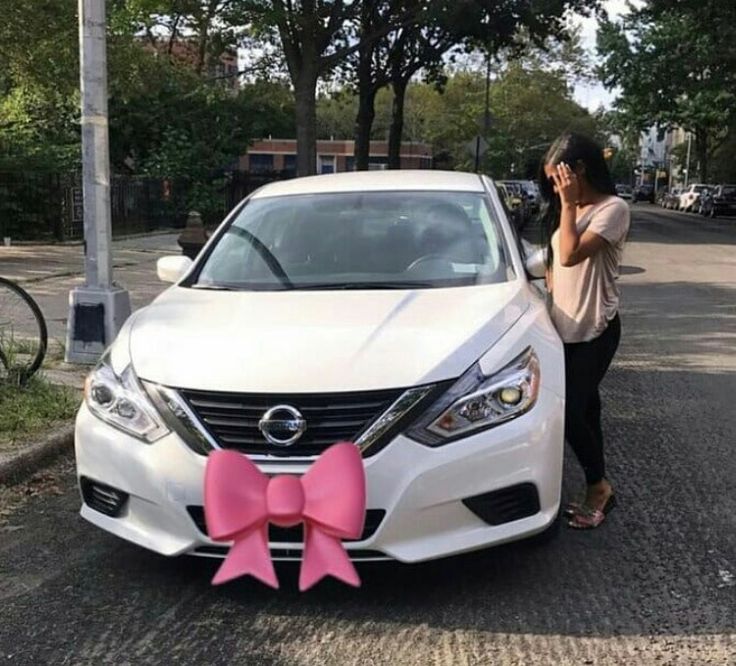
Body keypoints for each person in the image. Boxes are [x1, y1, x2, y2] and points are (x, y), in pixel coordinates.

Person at [538, 133, 630, 529]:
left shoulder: (613, 209)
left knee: (570, 410)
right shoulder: (565, 210)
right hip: (562, 329)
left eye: (557, 178)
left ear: (579, 170)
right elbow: (554, 260)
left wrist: (568, 203)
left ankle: (599, 486)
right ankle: (598, 483)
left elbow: (573, 254)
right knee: (588, 410)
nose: (554, 187)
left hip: (597, 329)